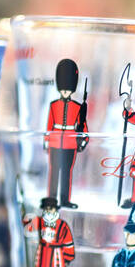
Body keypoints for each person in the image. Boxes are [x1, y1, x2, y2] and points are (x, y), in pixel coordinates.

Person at [44, 58, 86, 209]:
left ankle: (65, 199)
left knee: (67, 173)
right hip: (55, 141)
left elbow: (83, 125)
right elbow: (49, 124)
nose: (66, 91)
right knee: (54, 171)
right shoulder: (53, 105)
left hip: (70, 143)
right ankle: (52, 198)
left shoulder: (78, 106)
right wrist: (46, 140)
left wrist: (83, 139)